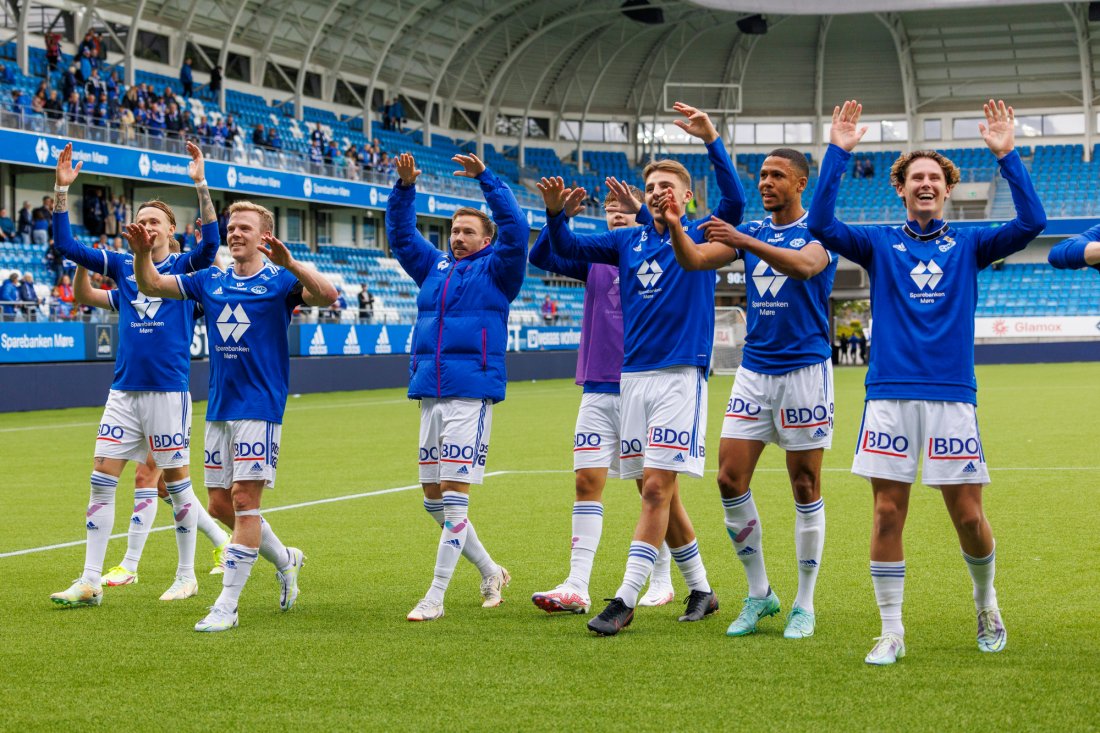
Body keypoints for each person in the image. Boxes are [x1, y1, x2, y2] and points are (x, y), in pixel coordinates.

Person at [807, 99, 1045, 665]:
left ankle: (986, 602)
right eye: (916, 177)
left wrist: (1008, 155)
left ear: (948, 188)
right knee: (888, 513)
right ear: (901, 188)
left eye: (935, 177)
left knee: (967, 515)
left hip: (951, 398)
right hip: (888, 396)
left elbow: (1031, 224)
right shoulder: (876, 242)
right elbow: (819, 225)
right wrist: (837, 154)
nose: (926, 184)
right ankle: (891, 630)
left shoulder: (970, 243)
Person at [541, 102, 746, 636]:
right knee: (655, 490)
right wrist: (555, 213)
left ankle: (624, 597)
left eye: (667, 185)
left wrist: (710, 141)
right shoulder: (625, 240)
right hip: (632, 379)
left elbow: (736, 202)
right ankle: (702, 588)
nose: (657, 191)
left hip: (681, 376)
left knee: (656, 489)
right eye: (651, 184)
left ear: (686, 196)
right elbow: (563, 249)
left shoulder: (703, 230)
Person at [132, 200, 337, 632]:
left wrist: (293, 263)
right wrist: (139, 253)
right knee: (221, 505)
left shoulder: (280, 280)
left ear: (264, 236)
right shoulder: (210, 280)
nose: (235, 233)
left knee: (246, 501)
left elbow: (328, 296)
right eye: (231, 228)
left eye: (244, 227)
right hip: (220, 406)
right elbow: (150, 285)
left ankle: (227, 604)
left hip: (259, 406)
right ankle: (285, 559)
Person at [659, 148, 838, 639]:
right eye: (761, 175)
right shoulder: (753, 231)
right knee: (728, 478)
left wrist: (740, 238)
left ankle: (805, 601)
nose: (766, 182)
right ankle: (760, 594)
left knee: (804, 485)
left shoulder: (821, 230)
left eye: (777, 175)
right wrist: (676, 224)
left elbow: (804, 267)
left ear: (800, 182)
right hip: (754, 370)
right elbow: (695, 260)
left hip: (805, 370)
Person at [48, 141, 221, 608]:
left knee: (176, 482)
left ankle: (187, 575)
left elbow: (211, 243)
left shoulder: (185, 267)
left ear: (169, 231)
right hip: (123, 392)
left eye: (154, 222)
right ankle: (90, 581)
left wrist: (201, 184)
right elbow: (66, 246)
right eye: (141, 220)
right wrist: (63, 190)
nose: (146, 226)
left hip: (167, 392)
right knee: (102, 477)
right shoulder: (122, 266)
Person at [529, 181, 681, 614]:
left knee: (651, 488)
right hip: (597, 385)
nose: (614, 214)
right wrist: (560, 216)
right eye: (608, 210)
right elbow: (541, 257)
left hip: (646, 384)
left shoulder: (660, 255)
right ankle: (577, 584)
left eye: (621, 208)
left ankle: (664, 578)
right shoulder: (595, 263)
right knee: (585, 481)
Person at [387, 151, 523, 622]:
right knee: (432, 499)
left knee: (453, 495)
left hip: (471, 394)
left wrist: (487, 180)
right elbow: (402, 238)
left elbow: (518, 230)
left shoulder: (499, 270)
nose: (458, 237)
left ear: (486, 239)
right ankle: (490, 570)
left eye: (468, 232)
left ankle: (436, 595)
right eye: (454, 231)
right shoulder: (434, 268)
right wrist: (404, 189)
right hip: (431, 394)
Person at [72, 258, 232, 584]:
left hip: (166, 396)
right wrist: (83, 260)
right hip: (131, 395)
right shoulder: (131, 291)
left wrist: (214, 257)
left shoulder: (183, 297)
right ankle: (221, 542)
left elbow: (220, 292)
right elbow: (86, 295)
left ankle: (130, 565)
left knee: (147, 477)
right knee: (162, 486)